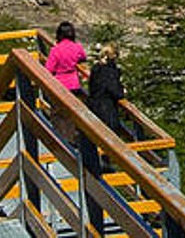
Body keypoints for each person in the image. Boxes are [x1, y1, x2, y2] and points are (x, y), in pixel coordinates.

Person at [81, 42, 126, 230]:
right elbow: (116, 92)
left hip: (94, 107)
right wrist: (123, 90)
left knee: (96, 142)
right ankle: (110, 175)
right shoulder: (109, 72)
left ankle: (101, 168)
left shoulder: (96, 69)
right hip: (107, 110)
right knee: (109, 144)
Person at [44, 20, 87, 96]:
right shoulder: (77, 47)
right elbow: (83, 57)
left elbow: (49, 69)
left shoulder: (55, 50)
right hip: (74, 83)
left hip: (60, 84)